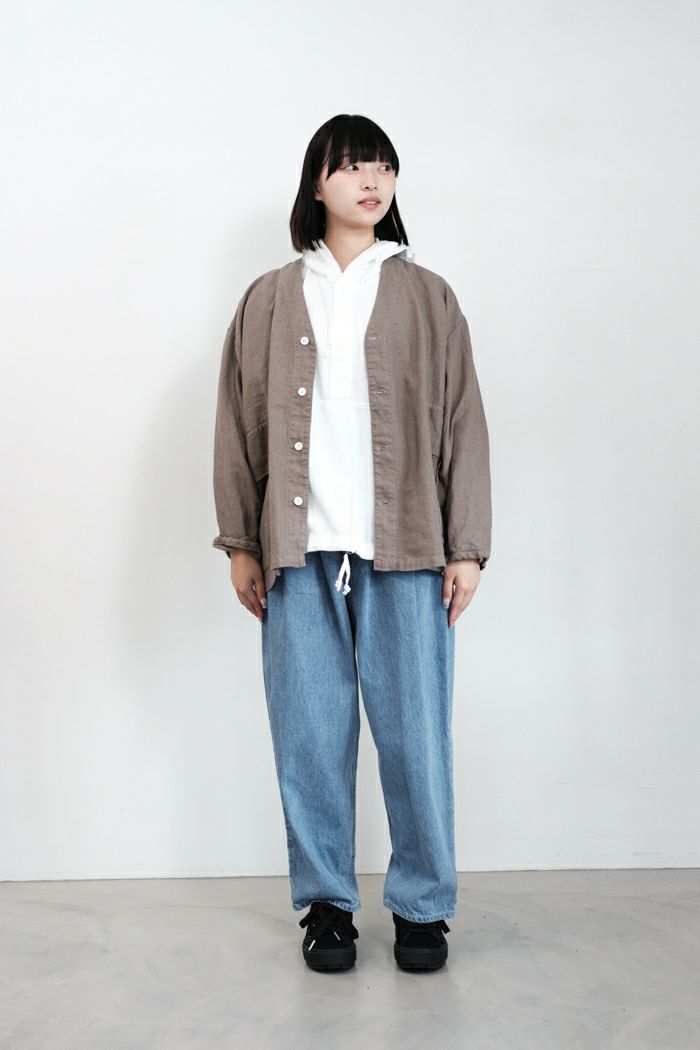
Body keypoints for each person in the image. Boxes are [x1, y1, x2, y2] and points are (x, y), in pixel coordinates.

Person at [211, 114, 492, 973]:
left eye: (383, 168)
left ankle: (421, 908)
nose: (371, 182)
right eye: (351, 167)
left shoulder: (428, 296)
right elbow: (236, 425)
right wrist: (241, 541)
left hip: (406, 548)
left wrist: (466, 546)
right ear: (317, 184)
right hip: (298, 551)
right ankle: (328, 905)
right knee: (308, 734)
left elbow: (463, 423)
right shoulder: (267, 298)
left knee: (415, 734)